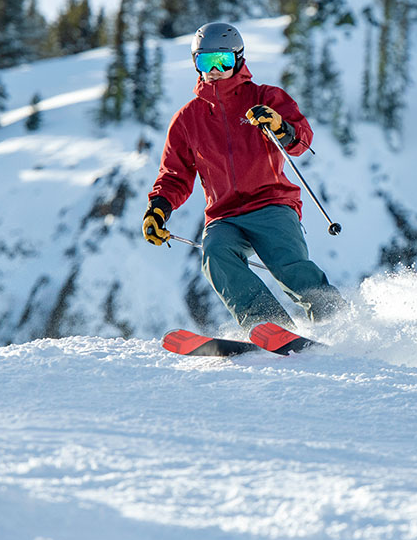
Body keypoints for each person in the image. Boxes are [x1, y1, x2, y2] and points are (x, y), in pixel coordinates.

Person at [142, 21, 344, 331]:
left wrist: (279, 126)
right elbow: (174, 174)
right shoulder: (187, 119)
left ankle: (339, 323)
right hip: (224, 216)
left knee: (288, 266)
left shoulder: (266, 98)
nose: (213, 70)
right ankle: (270, 327)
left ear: (238, 59)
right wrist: (158, 208)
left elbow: (302, 140)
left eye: (221, 60)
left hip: (272, 205)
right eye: (204, 61)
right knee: (215, 254)